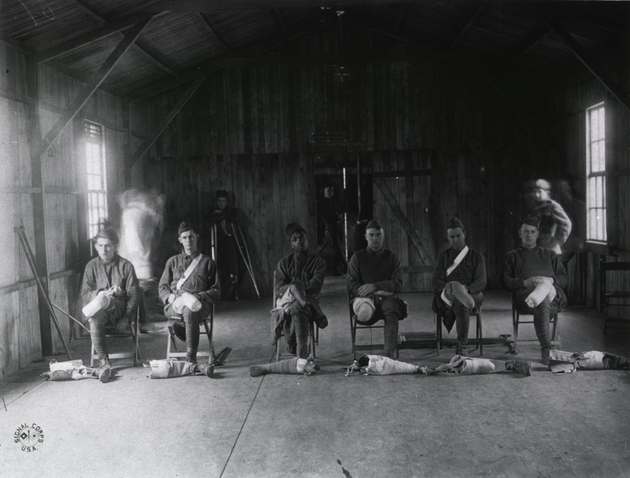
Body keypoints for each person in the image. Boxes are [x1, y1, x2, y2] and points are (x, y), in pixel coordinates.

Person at [502, 215, 568, 365]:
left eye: (533, 232)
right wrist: (525, 283)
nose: (529, 235)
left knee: (544, 296)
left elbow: (564, 278)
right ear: (520, 233)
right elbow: (505, 282)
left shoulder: (549, 254)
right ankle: (546, 348)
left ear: (537, 234)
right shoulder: (512, 257)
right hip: (526, 299)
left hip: (553, 296)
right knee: (541, 299)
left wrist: (550, 280)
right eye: (526, 232)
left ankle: (546, 348)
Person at [159, 222, 221, 364]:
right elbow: (162, 286)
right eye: (185, 237)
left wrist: (198, 296)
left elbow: (216, 291)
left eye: (191, 237)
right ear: (180, 240)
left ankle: (190, 359)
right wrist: (170, 297)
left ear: (197, 237)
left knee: (190, 311)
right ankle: (180, 326)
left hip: (199, 305)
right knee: (185, 310)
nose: (188, 241)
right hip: (175, 304)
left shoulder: (207, 262)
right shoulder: (172, 262)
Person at [81, 229, 139, 377]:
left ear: (114, 246)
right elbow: (85, 294)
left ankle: (104, 301)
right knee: (94, 317)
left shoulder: (126, 266)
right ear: (96, 247)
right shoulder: (91, 266)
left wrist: (127, 317)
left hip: (119, 310)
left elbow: (133, 295)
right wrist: (100, 294)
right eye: (100, 246)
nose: (104, 250)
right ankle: (104, 362)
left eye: (107, 246)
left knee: (110, 300)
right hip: (101, 312)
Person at [347, 219, 407, 358]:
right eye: (372, 235)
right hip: (365, 301)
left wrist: (375, 286)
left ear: (383, 236)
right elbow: (351, 284)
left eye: (378, 235)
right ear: (365, 237)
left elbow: (398, 283)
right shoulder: (357, 258)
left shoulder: (392, 257)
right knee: (364, 309)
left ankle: (388, 354)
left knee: (392, 308)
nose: (375, 239)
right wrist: (366, 293)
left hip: (387, 300)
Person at [272, 223, 328, 359]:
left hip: (305, 304)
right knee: (299, 301)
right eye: (295, 239)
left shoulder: (318, 262)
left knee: (300, 308)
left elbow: (316, 285)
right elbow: (279, 289)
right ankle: (300, 352)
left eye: (302, 238)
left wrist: (296, 288)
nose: (299, 242)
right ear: (291, 244)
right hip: (288, 302)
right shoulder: (284, 263)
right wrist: (294, 290)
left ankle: (300, 353)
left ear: (307, 240)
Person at [431, 218, 486, 356]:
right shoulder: (443, 257)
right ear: (448, 237)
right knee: (456, 295)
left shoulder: (476, 256)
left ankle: (462, 344)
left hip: (471, 293)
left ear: (464, 234)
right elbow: (436, 281)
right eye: (452, 237)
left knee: (460, 302)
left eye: (458, 236)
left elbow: (481, 280)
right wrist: (450, 288)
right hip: (449, 294)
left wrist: (467, 290)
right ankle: (462, 346)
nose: (455, 240)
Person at [206, 190, 242, 300]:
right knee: (216, 266)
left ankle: (234, 290)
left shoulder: (231, 210)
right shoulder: (211, 211)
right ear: (216, 202)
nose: (221, 203)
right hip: (216, 243)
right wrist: (219, 216)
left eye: (224, 201)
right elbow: (209, 218)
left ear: (227, 202)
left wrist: (220, 216)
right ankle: (218, 291)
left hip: (230, 242)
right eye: (219, 201)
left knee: (233, 265)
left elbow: (231, 217)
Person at [522, 179, 572, 255]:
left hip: (549, 247)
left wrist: (557, 241)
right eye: (534, 192)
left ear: (547, 192)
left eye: (539, 192)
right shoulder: (532, 207)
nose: (536, 195)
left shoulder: (553, 206)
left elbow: (566, 224)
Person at [317, 185, 347, 275]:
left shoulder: (335, 203)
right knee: (336, 249)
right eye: (328, 190)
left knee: (336, 249)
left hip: (336, 229)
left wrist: (339, 218)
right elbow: (326, 217)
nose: (330, 192)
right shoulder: (321, 203)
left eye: (332, 190)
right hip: (327, 229)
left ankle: (336, 270)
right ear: (324, 191)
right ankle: (343, 267)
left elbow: (340, 213)